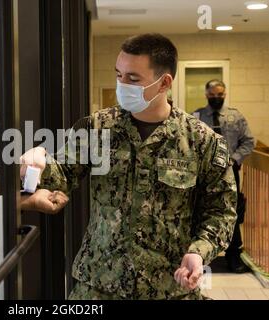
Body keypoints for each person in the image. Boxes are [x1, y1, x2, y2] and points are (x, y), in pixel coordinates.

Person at [20, 34, 237, 300]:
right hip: (98, 284)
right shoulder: (97, 128)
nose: (122, 85)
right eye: (118, 75)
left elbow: (221, 212)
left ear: (164, 83)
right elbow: (62, 175)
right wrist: (35, 166)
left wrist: (198, 251)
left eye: (133, 79)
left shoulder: (202, 141)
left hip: (169, 288)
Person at [192, 80, 255, 273]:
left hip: (230, 171)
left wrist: (235, 160)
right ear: (206, 94)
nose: (216, 98)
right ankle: (199, 255)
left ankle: (233, 257)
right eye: (212, 94)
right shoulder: (197, 116)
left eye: (219, 94)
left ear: (225, 93)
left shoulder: (235, 116)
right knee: (200, 210)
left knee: (231, 212)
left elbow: (248, 141)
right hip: (203, 173)